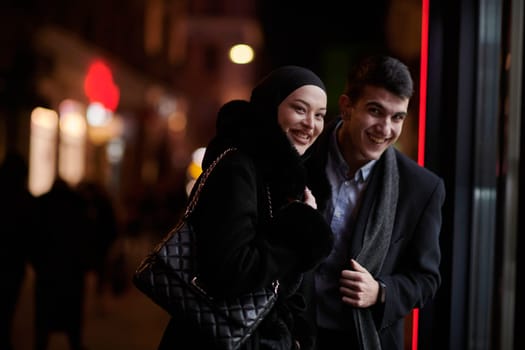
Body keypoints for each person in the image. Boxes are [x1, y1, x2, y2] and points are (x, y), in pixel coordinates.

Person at [156, 66, 334, 350]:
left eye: (320, 115)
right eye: (300, 110)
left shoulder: (282, 178)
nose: (310, 124)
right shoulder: (238, 169)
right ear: (271, 107)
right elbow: (230, 271)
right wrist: (300, 226)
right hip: (214, 337)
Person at [303, 55, 446, 350]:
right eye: (375, 111)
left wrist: (381, 292)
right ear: (346, 107)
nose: (385, 128)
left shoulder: (421, 188)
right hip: (288, 331)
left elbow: (426, 279)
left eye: (397, 117)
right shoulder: (300, 159)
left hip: (359, 339)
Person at [31, 177, 90, 350]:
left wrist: (38, 264)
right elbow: (86, 238)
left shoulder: (42, 204)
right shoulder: (78, 204)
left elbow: (33, 239)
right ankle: (75, 343)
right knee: (72, 318)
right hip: (72, 274)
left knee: (44, 319)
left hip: (48, 274)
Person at [0, 151, 38, 350]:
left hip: (10, 262)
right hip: (13, 264)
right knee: (7, 306)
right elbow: (32, 234)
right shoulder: (25, 200)